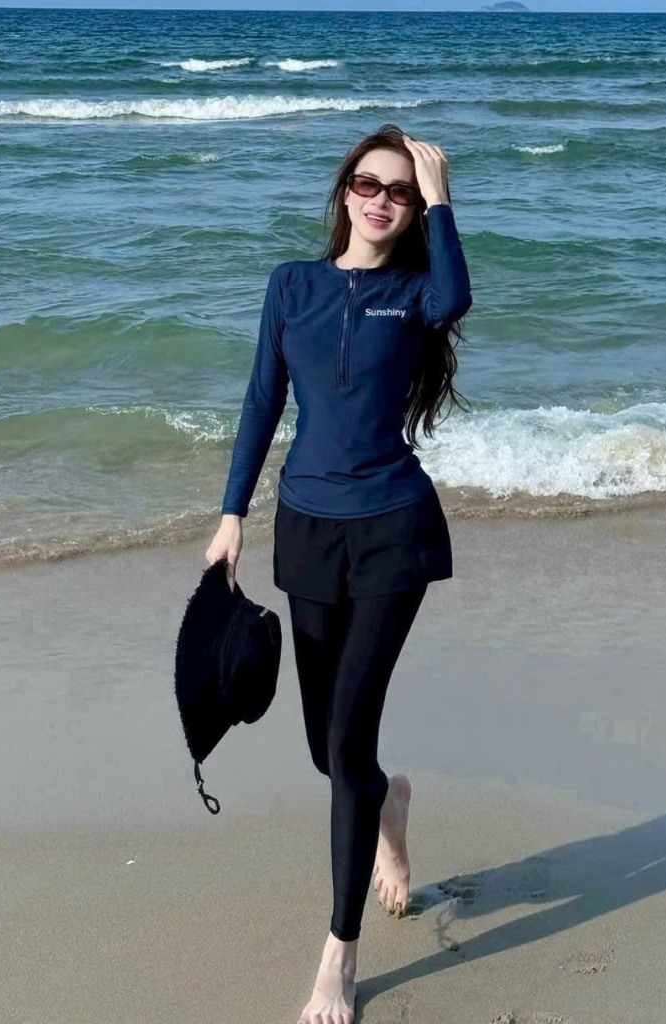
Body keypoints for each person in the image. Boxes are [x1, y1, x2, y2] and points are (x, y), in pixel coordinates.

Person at [205, 122, 473, 1024]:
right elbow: (260, 401)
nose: (381, 200)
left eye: (400, 191)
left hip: (394, 532)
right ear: (344, 190)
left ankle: (340, 951)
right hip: (308, 532)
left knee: (348, 743)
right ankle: (387, 802)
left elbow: (456, 296)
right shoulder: (293, 285)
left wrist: (442, 197)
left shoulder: (415, 293)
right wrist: (233, 514)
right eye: (369, 184)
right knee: (330, 752)